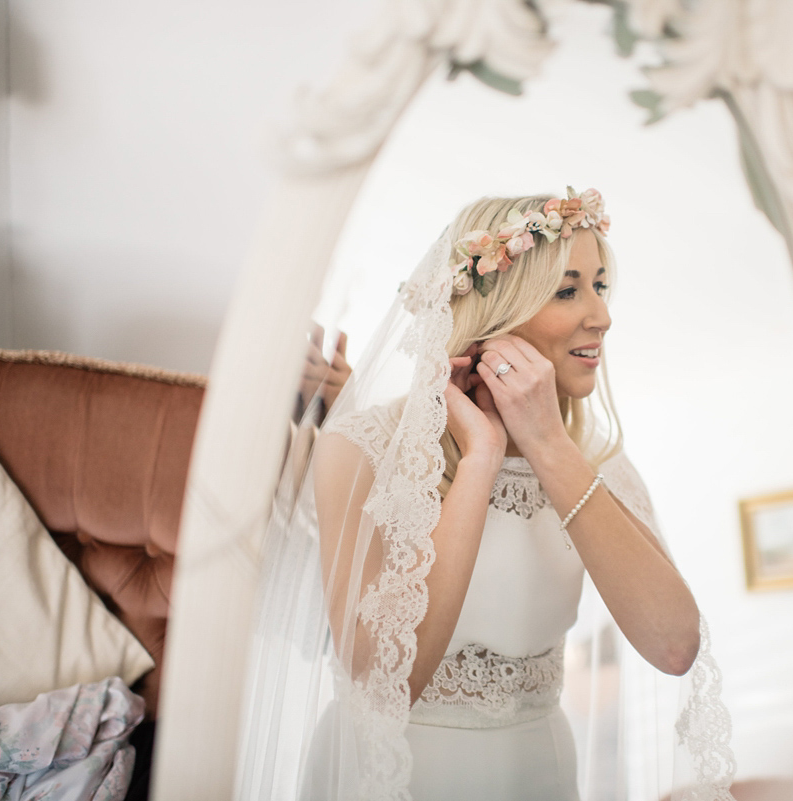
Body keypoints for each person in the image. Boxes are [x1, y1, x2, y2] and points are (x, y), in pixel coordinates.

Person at [237, 190, 735, 801]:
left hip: (539, 775)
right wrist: (481, 457)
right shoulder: (360, 448)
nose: (602, 315)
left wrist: (549, 443)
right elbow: (384, 685)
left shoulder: (602, 464)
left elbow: (675, 644)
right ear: (497, 312)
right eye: (568, 289)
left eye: (600, 286)